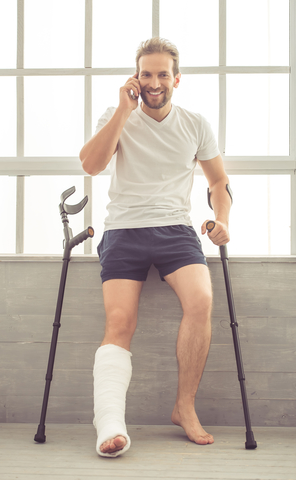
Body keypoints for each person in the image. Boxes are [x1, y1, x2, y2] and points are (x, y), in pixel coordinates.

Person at [79, 37, 231, 458]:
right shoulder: (117, 115)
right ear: (136, 78)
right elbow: (91, 165)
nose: (154, 81)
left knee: (201, 301)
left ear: (176, 79)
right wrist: (124, 112)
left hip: (176, 229)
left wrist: (223, 220)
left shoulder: (195, 124)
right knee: (120, 321)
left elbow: (218, 182)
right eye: (146, 74)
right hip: (124, 229)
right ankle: (110, 423)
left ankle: (184, 407)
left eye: (162, 74)